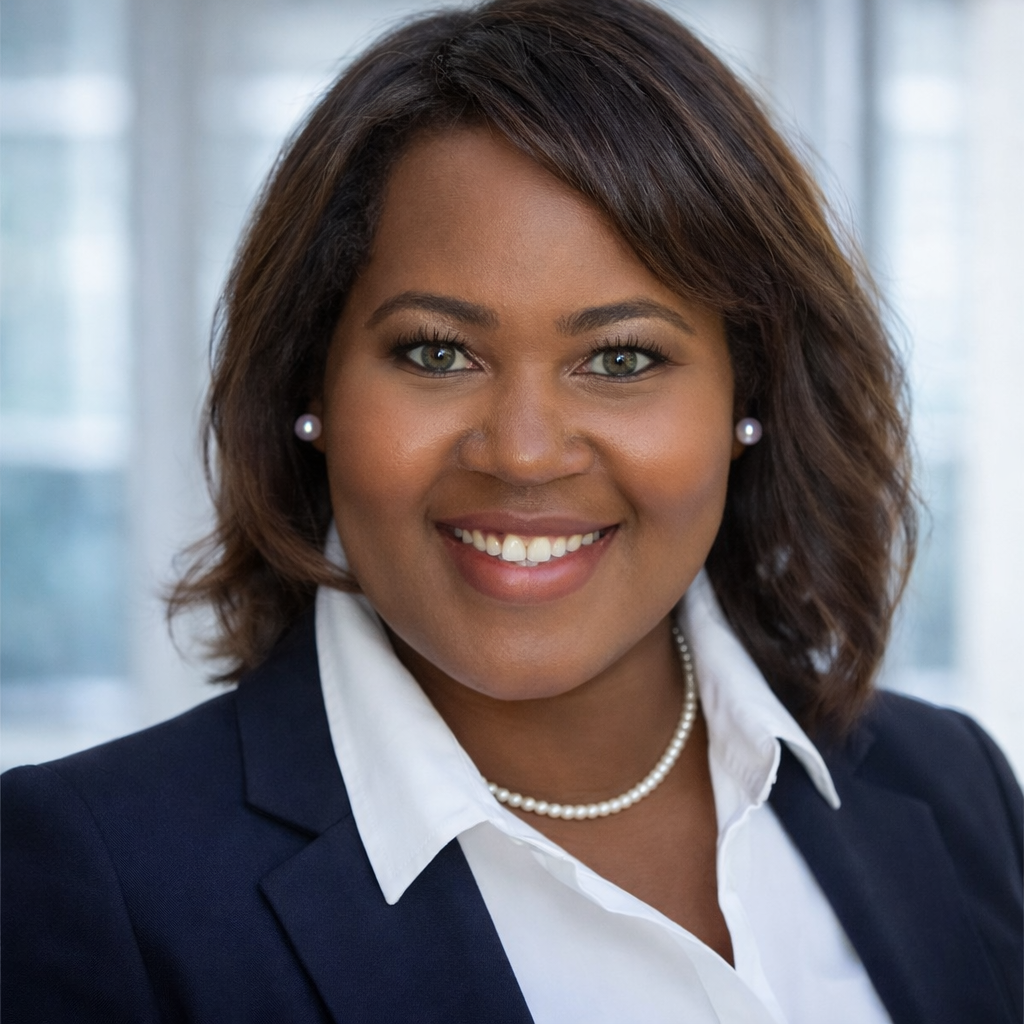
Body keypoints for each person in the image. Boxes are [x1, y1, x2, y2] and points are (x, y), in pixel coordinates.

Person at [2, 1, 1021, 1021]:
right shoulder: (96, 877)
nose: (525, 452)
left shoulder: (955, 788)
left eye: (621, 358)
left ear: (747, 402)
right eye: (436, 352)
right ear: (306, 387)